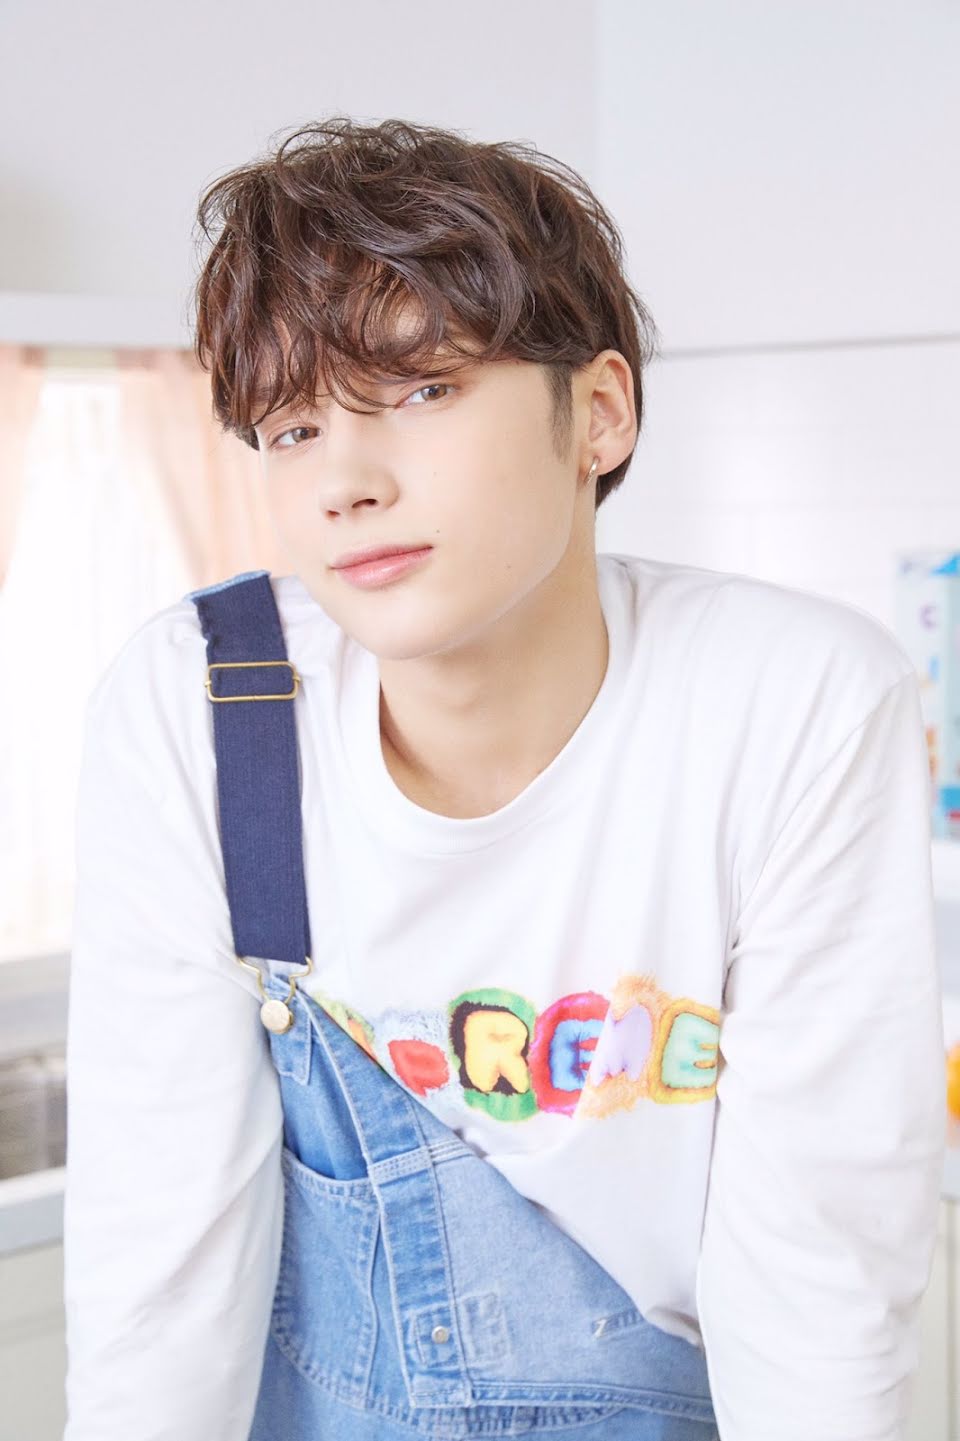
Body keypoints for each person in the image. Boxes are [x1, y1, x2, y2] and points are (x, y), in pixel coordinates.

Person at [63, 116, 946, 1440]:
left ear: (599, 412)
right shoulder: (207, 701)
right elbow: (160, 1267)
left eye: (422, 391)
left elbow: (819, 1280)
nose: (346, 481)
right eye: (294, 427)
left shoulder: (791, 701)